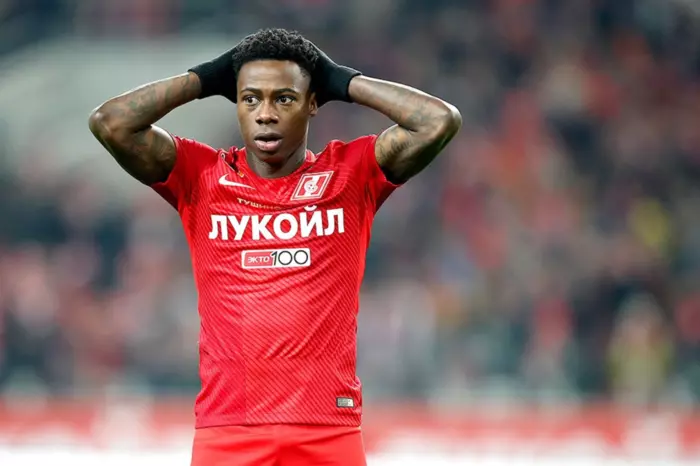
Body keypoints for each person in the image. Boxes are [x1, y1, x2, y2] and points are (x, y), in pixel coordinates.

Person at [88, 28, 461, 466]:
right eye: (250, 99)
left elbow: (438, 121)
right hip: (229, 432)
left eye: (284, 98)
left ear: (313, 102)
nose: (265, 114)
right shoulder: (201, 176)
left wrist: (342, 80)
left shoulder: (349, 175)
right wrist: (205, 78)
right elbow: (110, 123)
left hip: (328, 429)